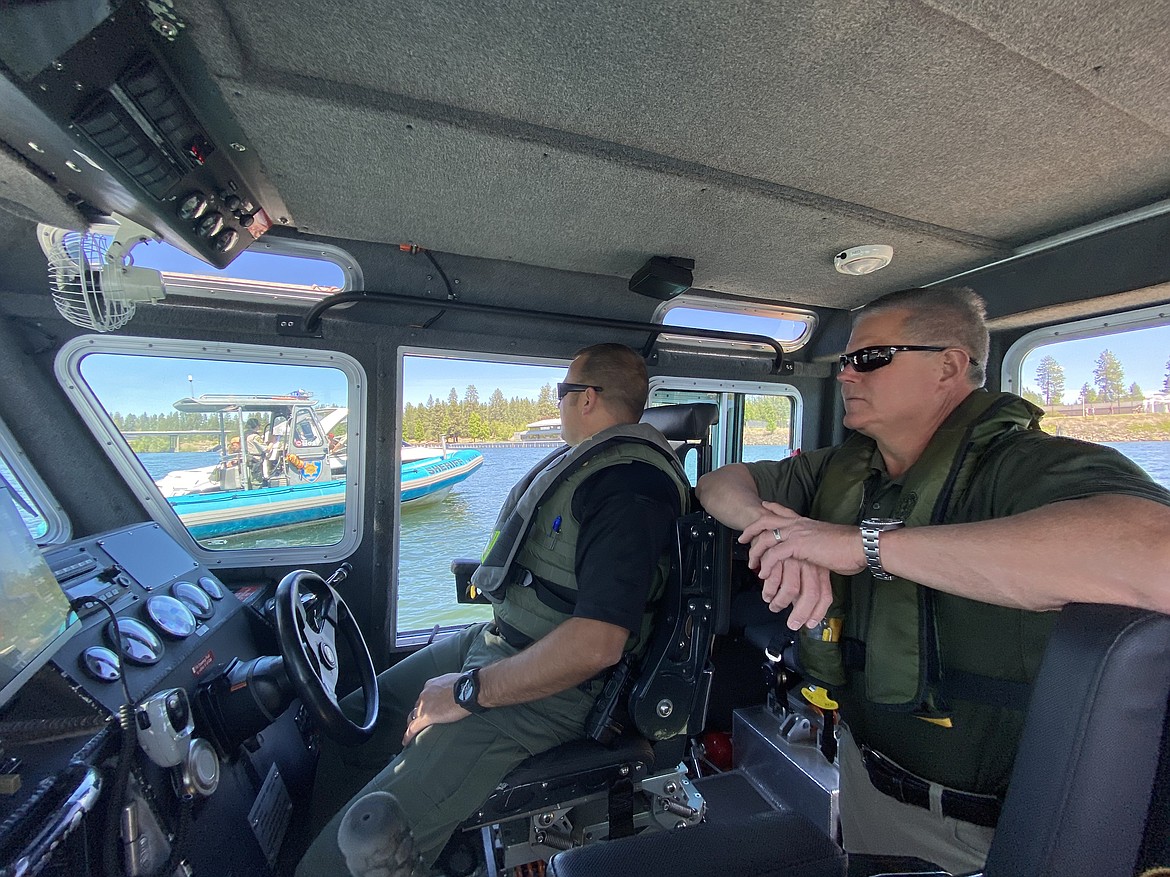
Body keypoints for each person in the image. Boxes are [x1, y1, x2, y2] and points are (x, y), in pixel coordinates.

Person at [695, 286, 1170, 873]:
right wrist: (779, 535)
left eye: (867, 358)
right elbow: (719, 484)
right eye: (843, 361)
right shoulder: (847, 466)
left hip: (997, 829)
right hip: (866, 778)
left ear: (949, 365)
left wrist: (862, 546)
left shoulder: (1028, 467)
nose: (846, 375)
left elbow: (1157, 557)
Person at [297, 343, 690, 877]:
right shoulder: (598, 468)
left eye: (562, 393)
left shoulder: (626, 489)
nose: (559, 406)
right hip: (500, 644)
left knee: (345, 859)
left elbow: (598, 643)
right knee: (353, 717)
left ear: (589, 399)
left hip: (553, 695)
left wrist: (465, 692)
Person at [243, 417, 267, 486]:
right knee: (257, 482)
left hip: (248, 459)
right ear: (257, 426)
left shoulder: (244, 435)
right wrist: (272, 442)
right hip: (256, 460)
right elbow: (266, 449)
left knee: (249, 481)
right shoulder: (255, 436)